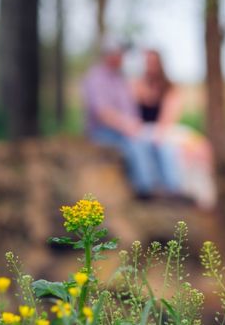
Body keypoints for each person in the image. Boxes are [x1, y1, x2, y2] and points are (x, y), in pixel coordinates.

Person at [82, 42, 181, 198]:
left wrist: (134, 125)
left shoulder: (120, 79)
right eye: (120, 54)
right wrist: (127, 125)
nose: (123, 57)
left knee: (158, 143)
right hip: (104, 132)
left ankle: (171, 188)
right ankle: (146, 189)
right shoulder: (96, 79)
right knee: (136, 142)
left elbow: (133, 112)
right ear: (110, 55)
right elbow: (102, 113)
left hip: (130, 129)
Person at [132, 49, 216, 208]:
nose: (150, 66)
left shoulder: (170, 88)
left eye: (153, 62)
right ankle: (171, 186)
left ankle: (196, 194)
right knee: (165, 147)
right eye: (147, 62)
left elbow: (168, 118)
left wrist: (159, 133)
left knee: (199, 147)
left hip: (163, 129)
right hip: (144, 130)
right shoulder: (137, 86)